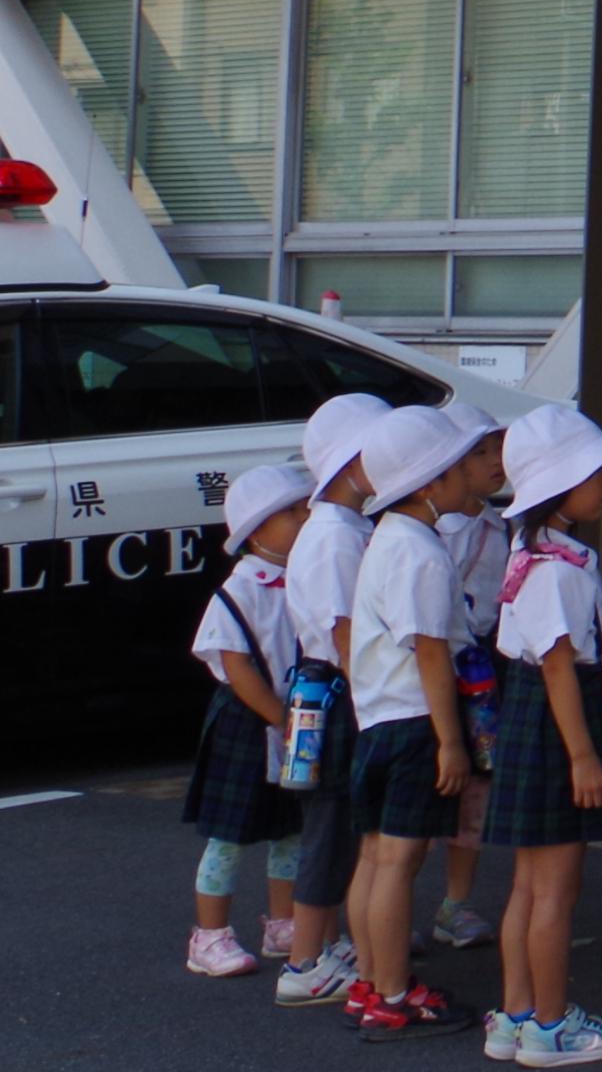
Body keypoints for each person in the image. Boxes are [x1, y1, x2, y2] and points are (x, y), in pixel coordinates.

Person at [481, 401, 602, 1069]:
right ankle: (550, 1026)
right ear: (558, 486)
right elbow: (558, 667)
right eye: (595, 473)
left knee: (529, 884)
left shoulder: (535, 551)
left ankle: (518, 1014)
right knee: (554, 888)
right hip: (559, 724)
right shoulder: (555, 569)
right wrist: (583, 757)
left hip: (537, 720)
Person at [344, 402, 500, 1035]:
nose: (478, 474)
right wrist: (450, 743)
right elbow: (431, 649)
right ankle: (391, 994)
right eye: (464, 464)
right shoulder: (420, 551)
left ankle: (368, 984)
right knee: (401, 861)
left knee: (380, 857)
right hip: (416, 722)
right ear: (431, 482)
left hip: (381, 718)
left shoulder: (389, 539)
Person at [273, 392, 387, 1008]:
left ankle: (324, 946)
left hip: (325, 688)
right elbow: (348, 634)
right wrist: (374, 703)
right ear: (349, 465)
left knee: (336, 823)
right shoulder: (337, 537)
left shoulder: (339, 527)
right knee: (331, 825)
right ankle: (305, 960)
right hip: (340, 691)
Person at [181, 459, 316, 977]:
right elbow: (235, 664)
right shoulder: (238, 591)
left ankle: (283, 921)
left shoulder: (305, 579)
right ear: (257, 531)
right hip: (249, 720)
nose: (306, 521)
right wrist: (279, 715)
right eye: (294, 514)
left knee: (290, 827)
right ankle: (209, 934)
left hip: (296, 720)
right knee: (229, 833)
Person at [429, 423, 511, 961]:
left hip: (484, 669)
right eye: (478, 453)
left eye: (498, 449)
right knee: (433, 782)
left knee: (477, 787)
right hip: (444, 668)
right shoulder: (436, 533)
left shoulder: (501, 526)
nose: (493, 461)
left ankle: (456, 902)